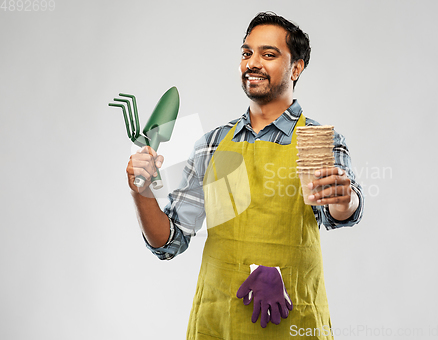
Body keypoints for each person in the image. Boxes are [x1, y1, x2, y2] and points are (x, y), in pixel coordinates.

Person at [126, 12, 364, 340]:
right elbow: (170, 241)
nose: (252, 63)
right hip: (217, 324)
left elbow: (340, 213)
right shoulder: (211, 145)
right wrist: (142, 192)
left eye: (268, 54)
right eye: (246, 53)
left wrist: (343, 197)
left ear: (296, 68)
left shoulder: (315, 139)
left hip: (292, 326)